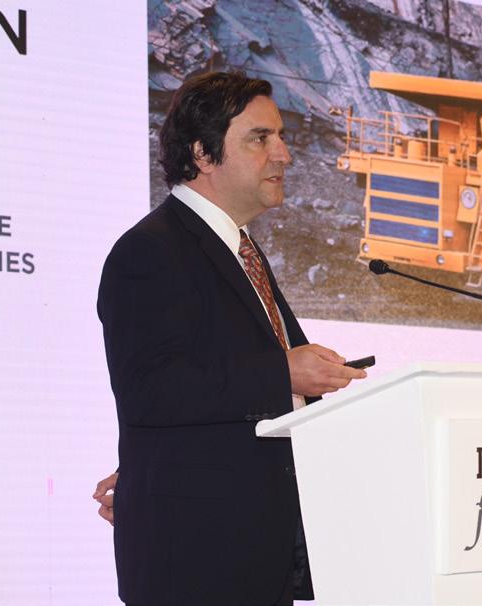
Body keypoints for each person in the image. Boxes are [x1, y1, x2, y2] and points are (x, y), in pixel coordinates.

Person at [94, 70, 366, 606]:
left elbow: (206, 391)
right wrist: (283, 373)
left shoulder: (240, 249)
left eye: (281, 136)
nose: (284, 154)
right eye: (261, 138)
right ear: (202, 152)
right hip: (196, 563)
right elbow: (150, 388)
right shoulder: (150, 250)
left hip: (252, 552)